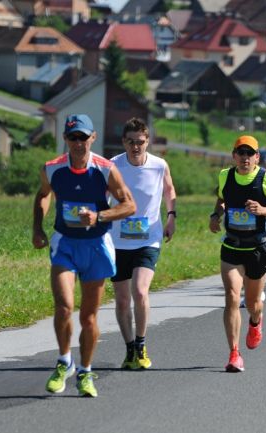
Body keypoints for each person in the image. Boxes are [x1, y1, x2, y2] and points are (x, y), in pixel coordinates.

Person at [33, 114, 137, 397]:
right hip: (65, 242)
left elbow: (129, 205)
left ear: (93, 138)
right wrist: (37, 228)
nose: (78, 143)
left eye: (83, 137)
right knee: (64, 306)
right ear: (65, 140)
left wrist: (99, 215)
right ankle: (65, 361)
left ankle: (86, 371)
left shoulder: (104, 170)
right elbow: (43, 194)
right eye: (72, 138)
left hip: (96, 244)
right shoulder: (52, 169)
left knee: (89, 318)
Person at [209, 135, 266, 372]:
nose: (245, 158)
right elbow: (222, 198)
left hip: (257, 249)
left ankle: (256, 322)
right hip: (232, 246)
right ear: (234, 155)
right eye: (240, 153)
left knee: (254, 303)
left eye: (250, 154)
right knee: (232, 297)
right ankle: (234, 354)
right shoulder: (225, 175)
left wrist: (263, 209)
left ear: (257, 157)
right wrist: (216, 215)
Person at [109, 118, 176, 370]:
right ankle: (128, 349)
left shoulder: (159, 165)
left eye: (140, 142)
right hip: (116, 241)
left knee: (140, 290)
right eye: (130, 142)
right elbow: (102, 197)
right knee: (122, 298)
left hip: (148, 239)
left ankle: (141, 343)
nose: (135, 147)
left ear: (148, 141)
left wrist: (171, 217)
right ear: (123, 142)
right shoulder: (113, 166)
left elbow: (169, 191)